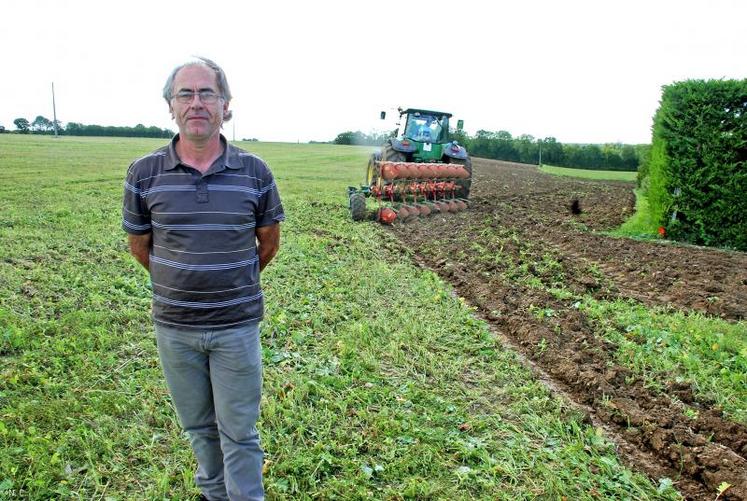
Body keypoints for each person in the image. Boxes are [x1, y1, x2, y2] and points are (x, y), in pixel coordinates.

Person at [122, 56, 284, 501]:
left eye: (207, 93)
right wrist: (183, 283)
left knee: (239, 433)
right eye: (185, 94)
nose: (196, 103)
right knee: (198, 429)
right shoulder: (143, 173)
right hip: (175, 327)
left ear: (226, 105)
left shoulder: (255, 172)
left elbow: (267, 244)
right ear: (171, 105)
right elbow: (141, 248)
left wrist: (228, 281)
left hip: (236, 327)